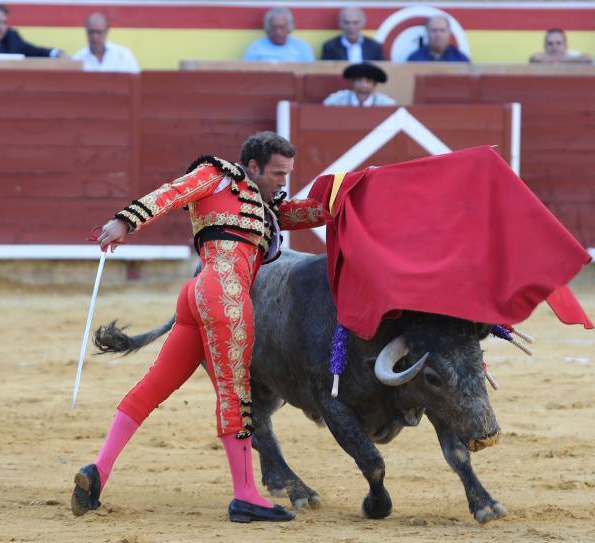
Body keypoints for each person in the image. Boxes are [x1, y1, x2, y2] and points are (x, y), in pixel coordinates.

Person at [70, 132, 327, 523]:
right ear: (252, 167)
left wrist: (350, 198)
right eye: (277, 173)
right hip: (224, 292)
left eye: (287, 174)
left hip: (197, 294)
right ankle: (245, 496)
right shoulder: (217, 174)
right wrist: (125, 221)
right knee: (235, 392)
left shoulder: (267, 203)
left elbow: (303, 213)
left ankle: (98, 470)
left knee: (155, 385)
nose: (283, 181)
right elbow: (171, 193)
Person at [72, 12, 139, 73]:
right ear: (86, 31)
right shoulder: (77, 59)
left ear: (107, 31)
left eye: (99, 32)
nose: (95, 36)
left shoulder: (124, 55)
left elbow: (136, 82)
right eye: (91, 32)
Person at [242, 7, 314, 62]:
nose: (278, 32)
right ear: (268, 28)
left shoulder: (302, 47)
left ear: (289, 28)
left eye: (282, 27)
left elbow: (310, 74)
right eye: (274, 27)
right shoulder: (255, 48)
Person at [323, 62, 396, 107]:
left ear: (375, 85)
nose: (363, 85)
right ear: (353, 82)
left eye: (368, 81)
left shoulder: (385, 103)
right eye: (359, 80)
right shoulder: (337, 100)